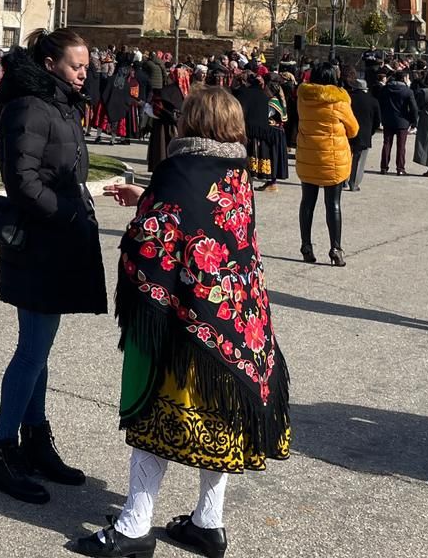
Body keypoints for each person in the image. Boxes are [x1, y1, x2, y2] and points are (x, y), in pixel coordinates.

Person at [82, 86, 290, 556]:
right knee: (218, 420)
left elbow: (155, 237)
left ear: (191, 123)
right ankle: (208, 522)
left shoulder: (179, 168)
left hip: (184, 323)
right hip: (235, 322)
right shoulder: (236, 170)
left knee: (155, 414)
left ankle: (135, 527)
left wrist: (146, 207)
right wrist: (149, 196)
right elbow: (200, 220)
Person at [0, 29, 106, 506]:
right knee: (31, 352)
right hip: (38, 245)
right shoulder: (31, 106)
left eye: (86, 66)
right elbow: (23, 180)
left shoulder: (58, 104)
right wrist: (67, 210)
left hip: (56, 243)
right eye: (77, 66)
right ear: (51, 63)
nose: (85, 73)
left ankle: (33, 438)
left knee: (40, 351)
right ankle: (3, 450)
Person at [295, 62, 358, 267]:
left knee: (307, 202)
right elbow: (353, 129)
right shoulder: (339, 101)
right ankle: (336, 249)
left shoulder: (303, 98)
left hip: (308, 156)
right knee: (333, 204)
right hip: (333, 158)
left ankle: (306, 246)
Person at [377, 69, 419, 175]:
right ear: (404, 78)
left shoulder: (385, 89)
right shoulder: (408, 91)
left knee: (386, 143)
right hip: (403, 121)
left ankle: (383, 167)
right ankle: (400, 168)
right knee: (401, 146)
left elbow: (380, 103)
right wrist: (414, 121)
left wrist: (381, 117)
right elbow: (414, 108)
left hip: (388, 119)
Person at [345, 70, 380, 192]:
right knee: (359, 160)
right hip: (364, 133)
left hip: (347, 131)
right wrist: (371, 131)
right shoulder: (373, 101)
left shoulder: (348, 99)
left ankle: (343, 180)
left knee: (346, 156)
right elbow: (377, 120)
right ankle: (353, 183)